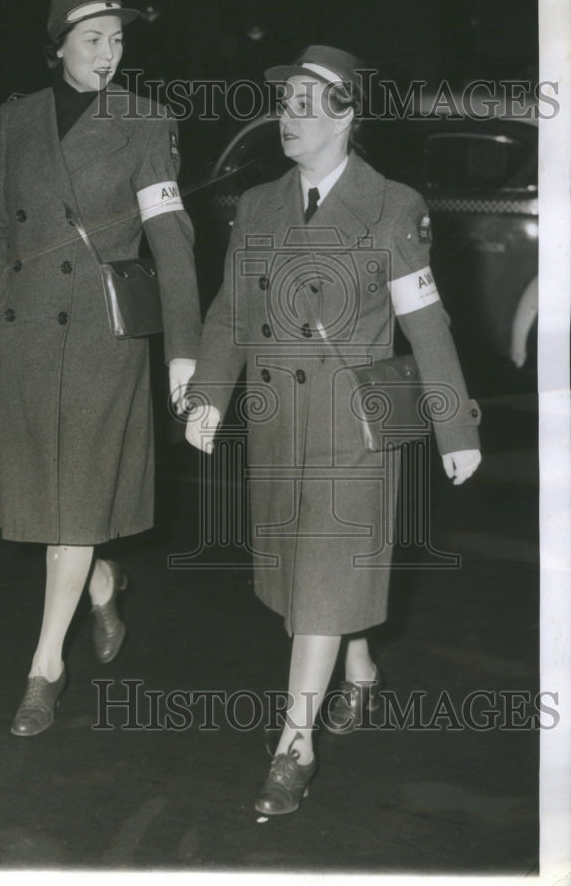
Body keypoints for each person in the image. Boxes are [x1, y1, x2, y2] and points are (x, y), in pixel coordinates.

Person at [186, 45, 481, 815]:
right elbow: (228, 314)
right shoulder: (256, 205)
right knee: (303, 582)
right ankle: (360, 666)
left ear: (347, 115)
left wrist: (456, 427)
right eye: (284, 103)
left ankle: (293, 746)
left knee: (319, 584)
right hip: (280, 422)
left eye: (307, 105)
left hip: (354, 428)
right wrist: (210, 396)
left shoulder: (392, 206)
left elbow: (428, 323)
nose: (288, 116)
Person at [0, 0, 201, 737]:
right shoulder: (17, 117)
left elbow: (170, 237)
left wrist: (183, 352)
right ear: (60, 47)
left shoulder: (146, 121)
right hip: (27, 332)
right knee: (47, 503)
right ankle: (103, 579)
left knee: (72, 505)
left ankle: (44, 668)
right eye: (96, 39)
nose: (110, 53)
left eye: (118, 41)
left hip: (104, 338)